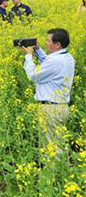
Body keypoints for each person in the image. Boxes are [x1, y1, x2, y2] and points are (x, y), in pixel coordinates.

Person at [19, 29, 75, 157]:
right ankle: (62, 172)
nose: (45, 43)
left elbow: (33, 76)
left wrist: (28, 56)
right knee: (59, 144)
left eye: (48, 41)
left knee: (51, 149)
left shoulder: (54, 61)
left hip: (51, 109)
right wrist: (37, 49)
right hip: (60, 107)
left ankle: (53, 174)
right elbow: (48, 63)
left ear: (57, 45)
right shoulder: (67, 57)